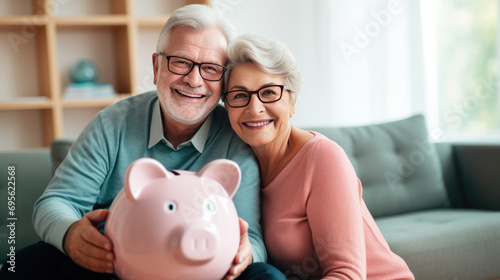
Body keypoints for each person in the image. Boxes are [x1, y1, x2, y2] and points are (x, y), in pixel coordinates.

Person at [0, 5, 285, 280]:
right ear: (157, 65)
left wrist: (246, 255)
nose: (194, 80)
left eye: (210, 68)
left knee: (266, 275)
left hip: (202, 270)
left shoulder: (236, 138)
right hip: (111, 266)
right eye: (181, 62)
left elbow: (253, 238)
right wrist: (72, 235)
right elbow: (56, 202)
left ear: (223, 79)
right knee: (21, 265)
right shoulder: (113, 123)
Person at [222, 34, 415, 280]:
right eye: (239, 95)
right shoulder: (241, 165)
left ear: (292, 103)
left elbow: (347, 274)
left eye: (269, 92)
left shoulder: (323, 157)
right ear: (226, 107)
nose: (254, 108)